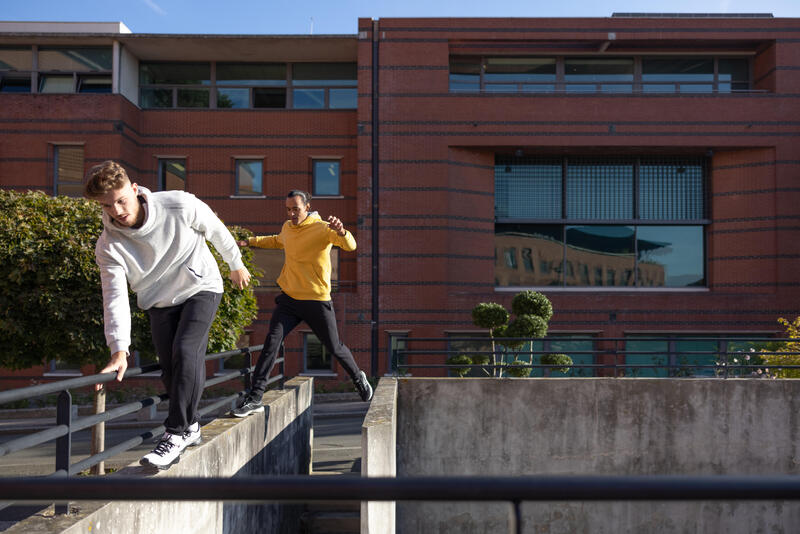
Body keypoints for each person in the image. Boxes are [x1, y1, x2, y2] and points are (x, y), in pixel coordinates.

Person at [84, 161, 251, 470]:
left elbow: (215, 229)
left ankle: (174, 434)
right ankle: (192, 426)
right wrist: (119, 349)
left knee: (187, 350)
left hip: (200, 285)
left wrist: (235, 263)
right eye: (106, 206)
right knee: (171, 370)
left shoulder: (178, 204)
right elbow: (115, 297)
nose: (117, 210)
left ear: (134, 189)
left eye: (121, 200)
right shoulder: (108, 246)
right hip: (159, 300)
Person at [231, 190, 372, 417]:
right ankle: (255, 397)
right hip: (289, 299)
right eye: (288, 209)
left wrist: (342, 231)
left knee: (335, 347)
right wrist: (249, 241)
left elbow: (350, 245)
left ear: (307, 207)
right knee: (271, 343)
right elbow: (277, 241)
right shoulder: (288, 227)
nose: (292, 213)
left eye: (296, 208)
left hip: (316, 300)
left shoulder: (324, 228)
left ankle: (358, 377)